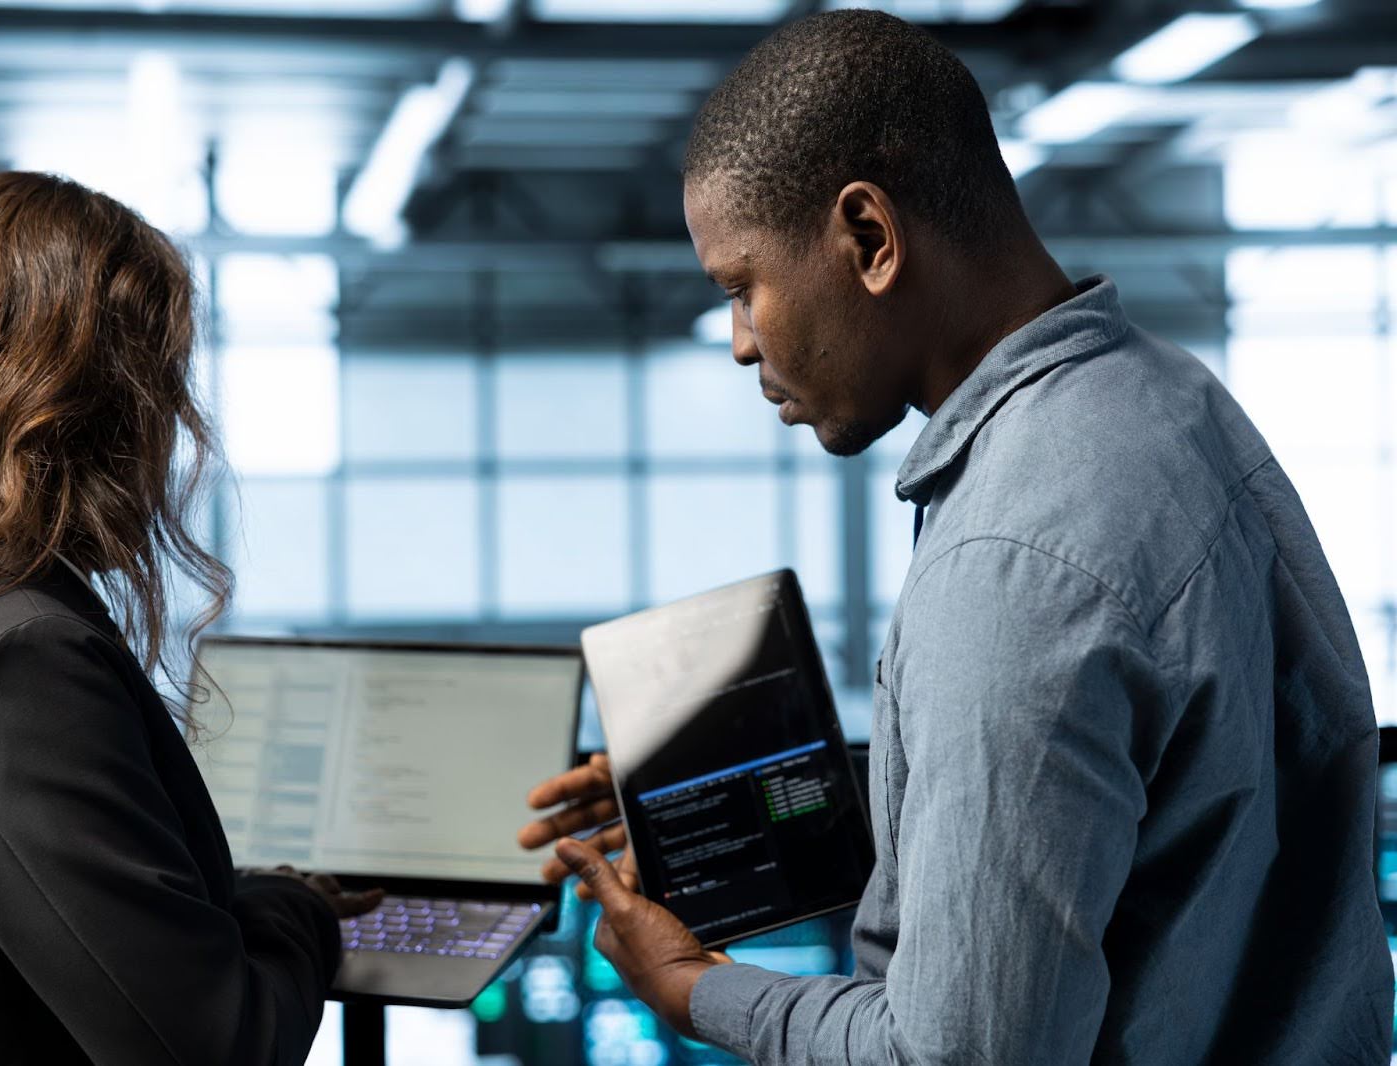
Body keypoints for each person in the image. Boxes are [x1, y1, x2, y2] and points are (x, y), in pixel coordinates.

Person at [520, 11, 1393, 1064]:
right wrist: (717, 807)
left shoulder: (1012, 558)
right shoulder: (1164, 401)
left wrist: (694, 985)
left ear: (868, 240)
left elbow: (958, 1056)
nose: (742, 341)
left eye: (742, 287)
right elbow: (1123, 813)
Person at [0, 171, 380, 1064]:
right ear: (85, 413)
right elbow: (224, 1045)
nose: (171, 438)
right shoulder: (15, 663)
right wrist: (297, 909)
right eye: (160, 392)